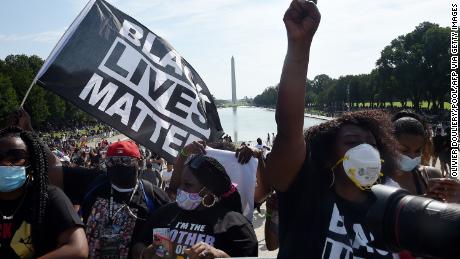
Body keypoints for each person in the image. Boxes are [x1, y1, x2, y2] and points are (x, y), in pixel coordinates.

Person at [265, 1, 399, 257]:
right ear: (327, 155)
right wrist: (299, 46)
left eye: (372, 143)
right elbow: (289, 129)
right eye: (351, 142)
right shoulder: (306, 194)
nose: (365, 149)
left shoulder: (391, 208)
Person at [132, 154, 258, 259]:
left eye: (188, 185)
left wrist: (221, 256)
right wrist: (145, 253)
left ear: (207, 190)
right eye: (181, 183)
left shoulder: (236, 224)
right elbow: (138, 245)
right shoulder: (165, 213)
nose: (180, 189)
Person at [0, 125, 88, 258]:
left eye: (15, 158)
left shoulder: (49, 197)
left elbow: (78, 249)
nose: (5, 164)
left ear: (31, 163)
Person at [391, 112, 460, 203]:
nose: (412, 157)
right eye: (404, 150)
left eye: (417, 151)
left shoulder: (431, 175)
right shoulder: (377, 178)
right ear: (388, 144)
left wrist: (454, 199)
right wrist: (422, 202)